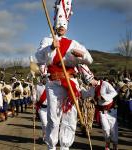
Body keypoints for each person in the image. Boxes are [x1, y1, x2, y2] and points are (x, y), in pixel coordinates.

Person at [35, 1, 93, 149]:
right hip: (53, 84)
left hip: (71, 83)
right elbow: (40, 58)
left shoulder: (73, 43)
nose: (62, 27)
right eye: (60, 25)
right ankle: (52, 146)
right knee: (54, 118)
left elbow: (89, 59)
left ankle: (65, 146)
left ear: (67, 26)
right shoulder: (47, 40)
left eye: (64, 25)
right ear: (54, 23)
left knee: (70, 117)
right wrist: (51, 48)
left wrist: (81, 56)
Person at [79, 64, 118, 150]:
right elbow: (85, 94)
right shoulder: (92, 89)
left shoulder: (105, 84)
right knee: (105, 129)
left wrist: (104, 97)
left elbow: (114, 93)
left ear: (93, 78)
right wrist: (79, 88)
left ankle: (115, 145)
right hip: (102, 112)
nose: (89, 84)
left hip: (111, 112)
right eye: (88, 83)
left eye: (90, 82)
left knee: (113, 131)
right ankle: (107, 144)